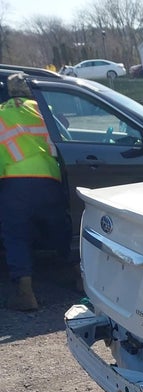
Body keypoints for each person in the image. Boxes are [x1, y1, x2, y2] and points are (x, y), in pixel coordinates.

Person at [0, 73, 73, 311]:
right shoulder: (46, 112)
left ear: (10, 92)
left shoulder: (1, 114)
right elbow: (67, 140)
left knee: (16, 236)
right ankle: (77, 276)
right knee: (60, 227)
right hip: (49, 180)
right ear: (31, 91)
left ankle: (26, 293)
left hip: (14, 184)